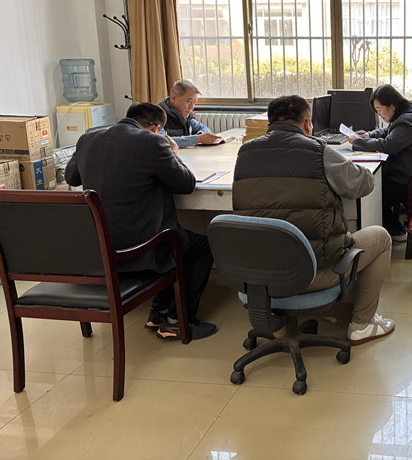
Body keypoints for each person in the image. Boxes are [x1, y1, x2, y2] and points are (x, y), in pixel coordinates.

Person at [233, 95, 395, 345]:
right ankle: (362, 324)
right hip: (312, 273)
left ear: (269, 123)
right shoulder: (318, 151)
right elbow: (363, 184)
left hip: (259, 274)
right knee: (381, 237)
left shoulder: (245, 152)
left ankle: (275, 323)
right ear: (308, 123)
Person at [65, 103, 217, 340]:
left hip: (96, 246)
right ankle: (177, 320)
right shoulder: (152, 142)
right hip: (136, 248)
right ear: (157, 129)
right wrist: (173, 153)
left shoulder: (88, 138)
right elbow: (186, 184)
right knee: (200, 247)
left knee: (175, 239)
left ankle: (159, 311)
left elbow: (71, 177)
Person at [347, 84, 412, 239]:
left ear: (392, 106)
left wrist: (357, 142)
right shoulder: (406, 115)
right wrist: (369, 135)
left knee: (372, 193)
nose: (379, 114)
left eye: (379, 109)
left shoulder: (407, 121)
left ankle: (396, 230)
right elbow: (388, 131)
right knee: (376, 186)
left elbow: (388, 145)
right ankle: (392, 227)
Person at [159, 79, 220, 148]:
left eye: (194, 103)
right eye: (189, 101)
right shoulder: (157, 115)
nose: (192, 107)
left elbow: (204, 128)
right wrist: (197, 139)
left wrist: (202, 136)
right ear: (173, 98)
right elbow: (162, 141)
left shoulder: (185, 117)